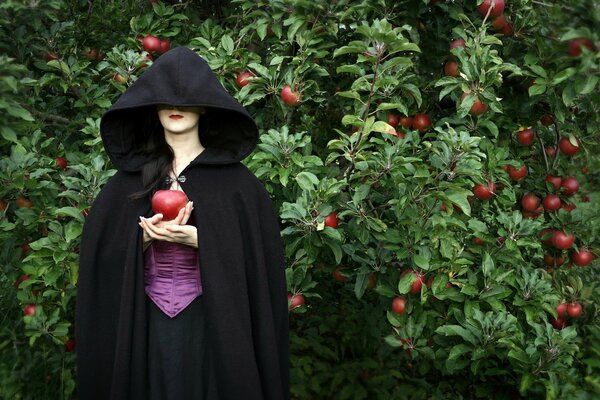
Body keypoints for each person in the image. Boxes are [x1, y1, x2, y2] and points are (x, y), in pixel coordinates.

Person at [76, 46, 289, 400]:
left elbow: (260, 266)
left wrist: (203, 242)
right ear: (153, 107)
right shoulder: (127, 183)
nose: (176, 107)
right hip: (144, 327)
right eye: (166, 99)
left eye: (188, 99)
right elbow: (98, 263)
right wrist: (140, 243)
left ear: (205, 106)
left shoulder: (238, 185)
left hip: (214, 326)